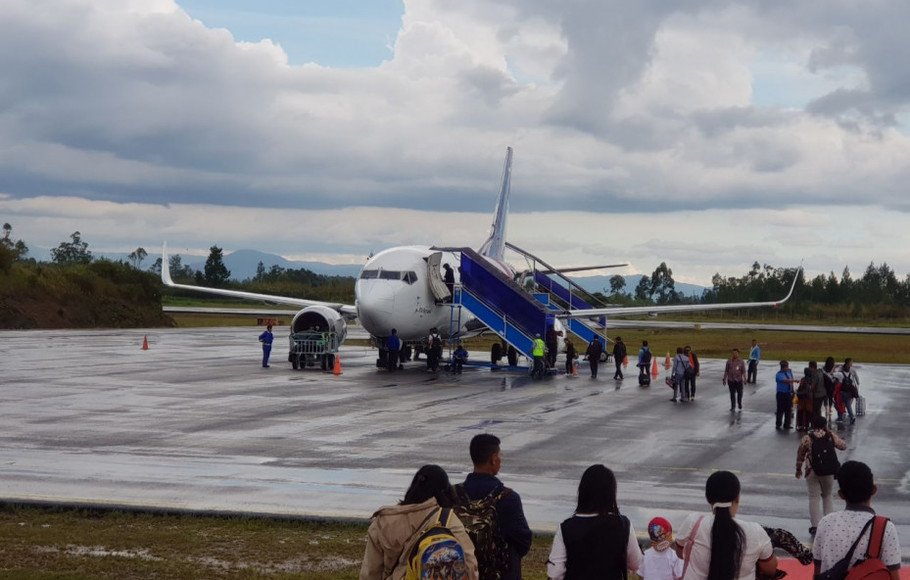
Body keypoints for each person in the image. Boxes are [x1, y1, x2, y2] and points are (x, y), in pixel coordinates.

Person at [360, 464, 479, 579]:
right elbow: (470, 566)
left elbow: (370, 572)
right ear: (444, 491)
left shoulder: (383, 521)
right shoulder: (447, 519)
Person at [674, 470, 778, 580]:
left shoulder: (693, 522)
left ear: (708, 499)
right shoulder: (756, 532)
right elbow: (770, 569)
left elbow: (681, 553)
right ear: (737, 498)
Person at [546, 464, 642, 579]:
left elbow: (555, 573)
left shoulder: (566, 528)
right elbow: (636, 563)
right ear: (611, 493)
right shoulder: (623, 525)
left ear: (582, 491)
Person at [458, 434, 532, 580]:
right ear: (493, 459)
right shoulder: (508, 498)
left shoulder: (452, 495)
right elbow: (523, 541)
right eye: (499, 455)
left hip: (464, 572)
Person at [812, 461, 902, 579]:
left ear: (841, 495)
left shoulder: (826, 523)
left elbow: (818, 572)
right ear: (874, 490)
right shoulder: (885, 528)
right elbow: (893, 575)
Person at [796, 415, 848, 535]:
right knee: (827, 496)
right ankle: (829, 524)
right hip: (828, 472)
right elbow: (843, 446)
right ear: (825, 425)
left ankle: (815, 525)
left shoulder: (807, 438)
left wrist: (798, 469)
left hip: (812, 471)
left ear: (812, 425)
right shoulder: (829, 436)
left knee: (814, 498)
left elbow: (800, 455)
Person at [774, 360, 798, 429]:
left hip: (788, 393)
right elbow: (785, 380)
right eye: (787, 367)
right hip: (781, 394)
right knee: (780, 409)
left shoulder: (789, 373)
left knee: (788, 409)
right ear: (783, 367)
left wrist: (792, 390)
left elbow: (790, 382)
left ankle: (787, 424)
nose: (788, 368)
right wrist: (793, 380)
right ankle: (778, 424)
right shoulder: (779, 374)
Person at [838, 358, 860, 425]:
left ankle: (841, 417)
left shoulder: (840, 370)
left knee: (840, 404)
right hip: (850, 390)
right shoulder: (852, 370)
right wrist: (857, 386)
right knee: (848, 404)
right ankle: (851, 416)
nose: (852, 364)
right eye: (851, 362)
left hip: (842, 390)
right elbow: (857, 379)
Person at [795, 367, 814, 431]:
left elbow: (800, 388)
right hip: (809, 399)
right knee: (808, 413)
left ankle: (800, 426)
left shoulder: (803, 379)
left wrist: (797, 392)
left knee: (801, 412)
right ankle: (807, 426)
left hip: (802, 399)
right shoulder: (812, 380)